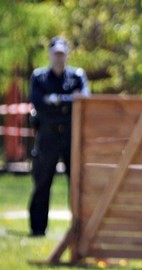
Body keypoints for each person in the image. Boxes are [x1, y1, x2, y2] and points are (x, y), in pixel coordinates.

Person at [28, 36, 90, 236]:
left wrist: (56, 101)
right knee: (42, 182)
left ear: (67, 55)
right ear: (50, 54)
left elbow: (84, 100)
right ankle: (38, 228)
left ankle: (80, 228)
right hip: (47, 137)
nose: (59, 57)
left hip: (72, 138)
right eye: (56, 54)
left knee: (78, 184)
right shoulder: (39, 77)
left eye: (62, 54)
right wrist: (67, 102)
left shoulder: (77, 76)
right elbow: (38, 103)